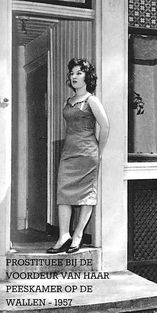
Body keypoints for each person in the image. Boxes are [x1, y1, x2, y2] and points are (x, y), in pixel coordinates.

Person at [47, 58, 109, 254]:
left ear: (87, 77)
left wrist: (99, 150)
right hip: (69, 152)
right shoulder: (69, 101)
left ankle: (78, 235)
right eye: (72, 73)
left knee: (85, 195)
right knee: (63, 192)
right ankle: (63, 235)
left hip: (87, 152)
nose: (74, 76)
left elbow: (105, 126)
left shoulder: (92, 100)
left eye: (79, 73)